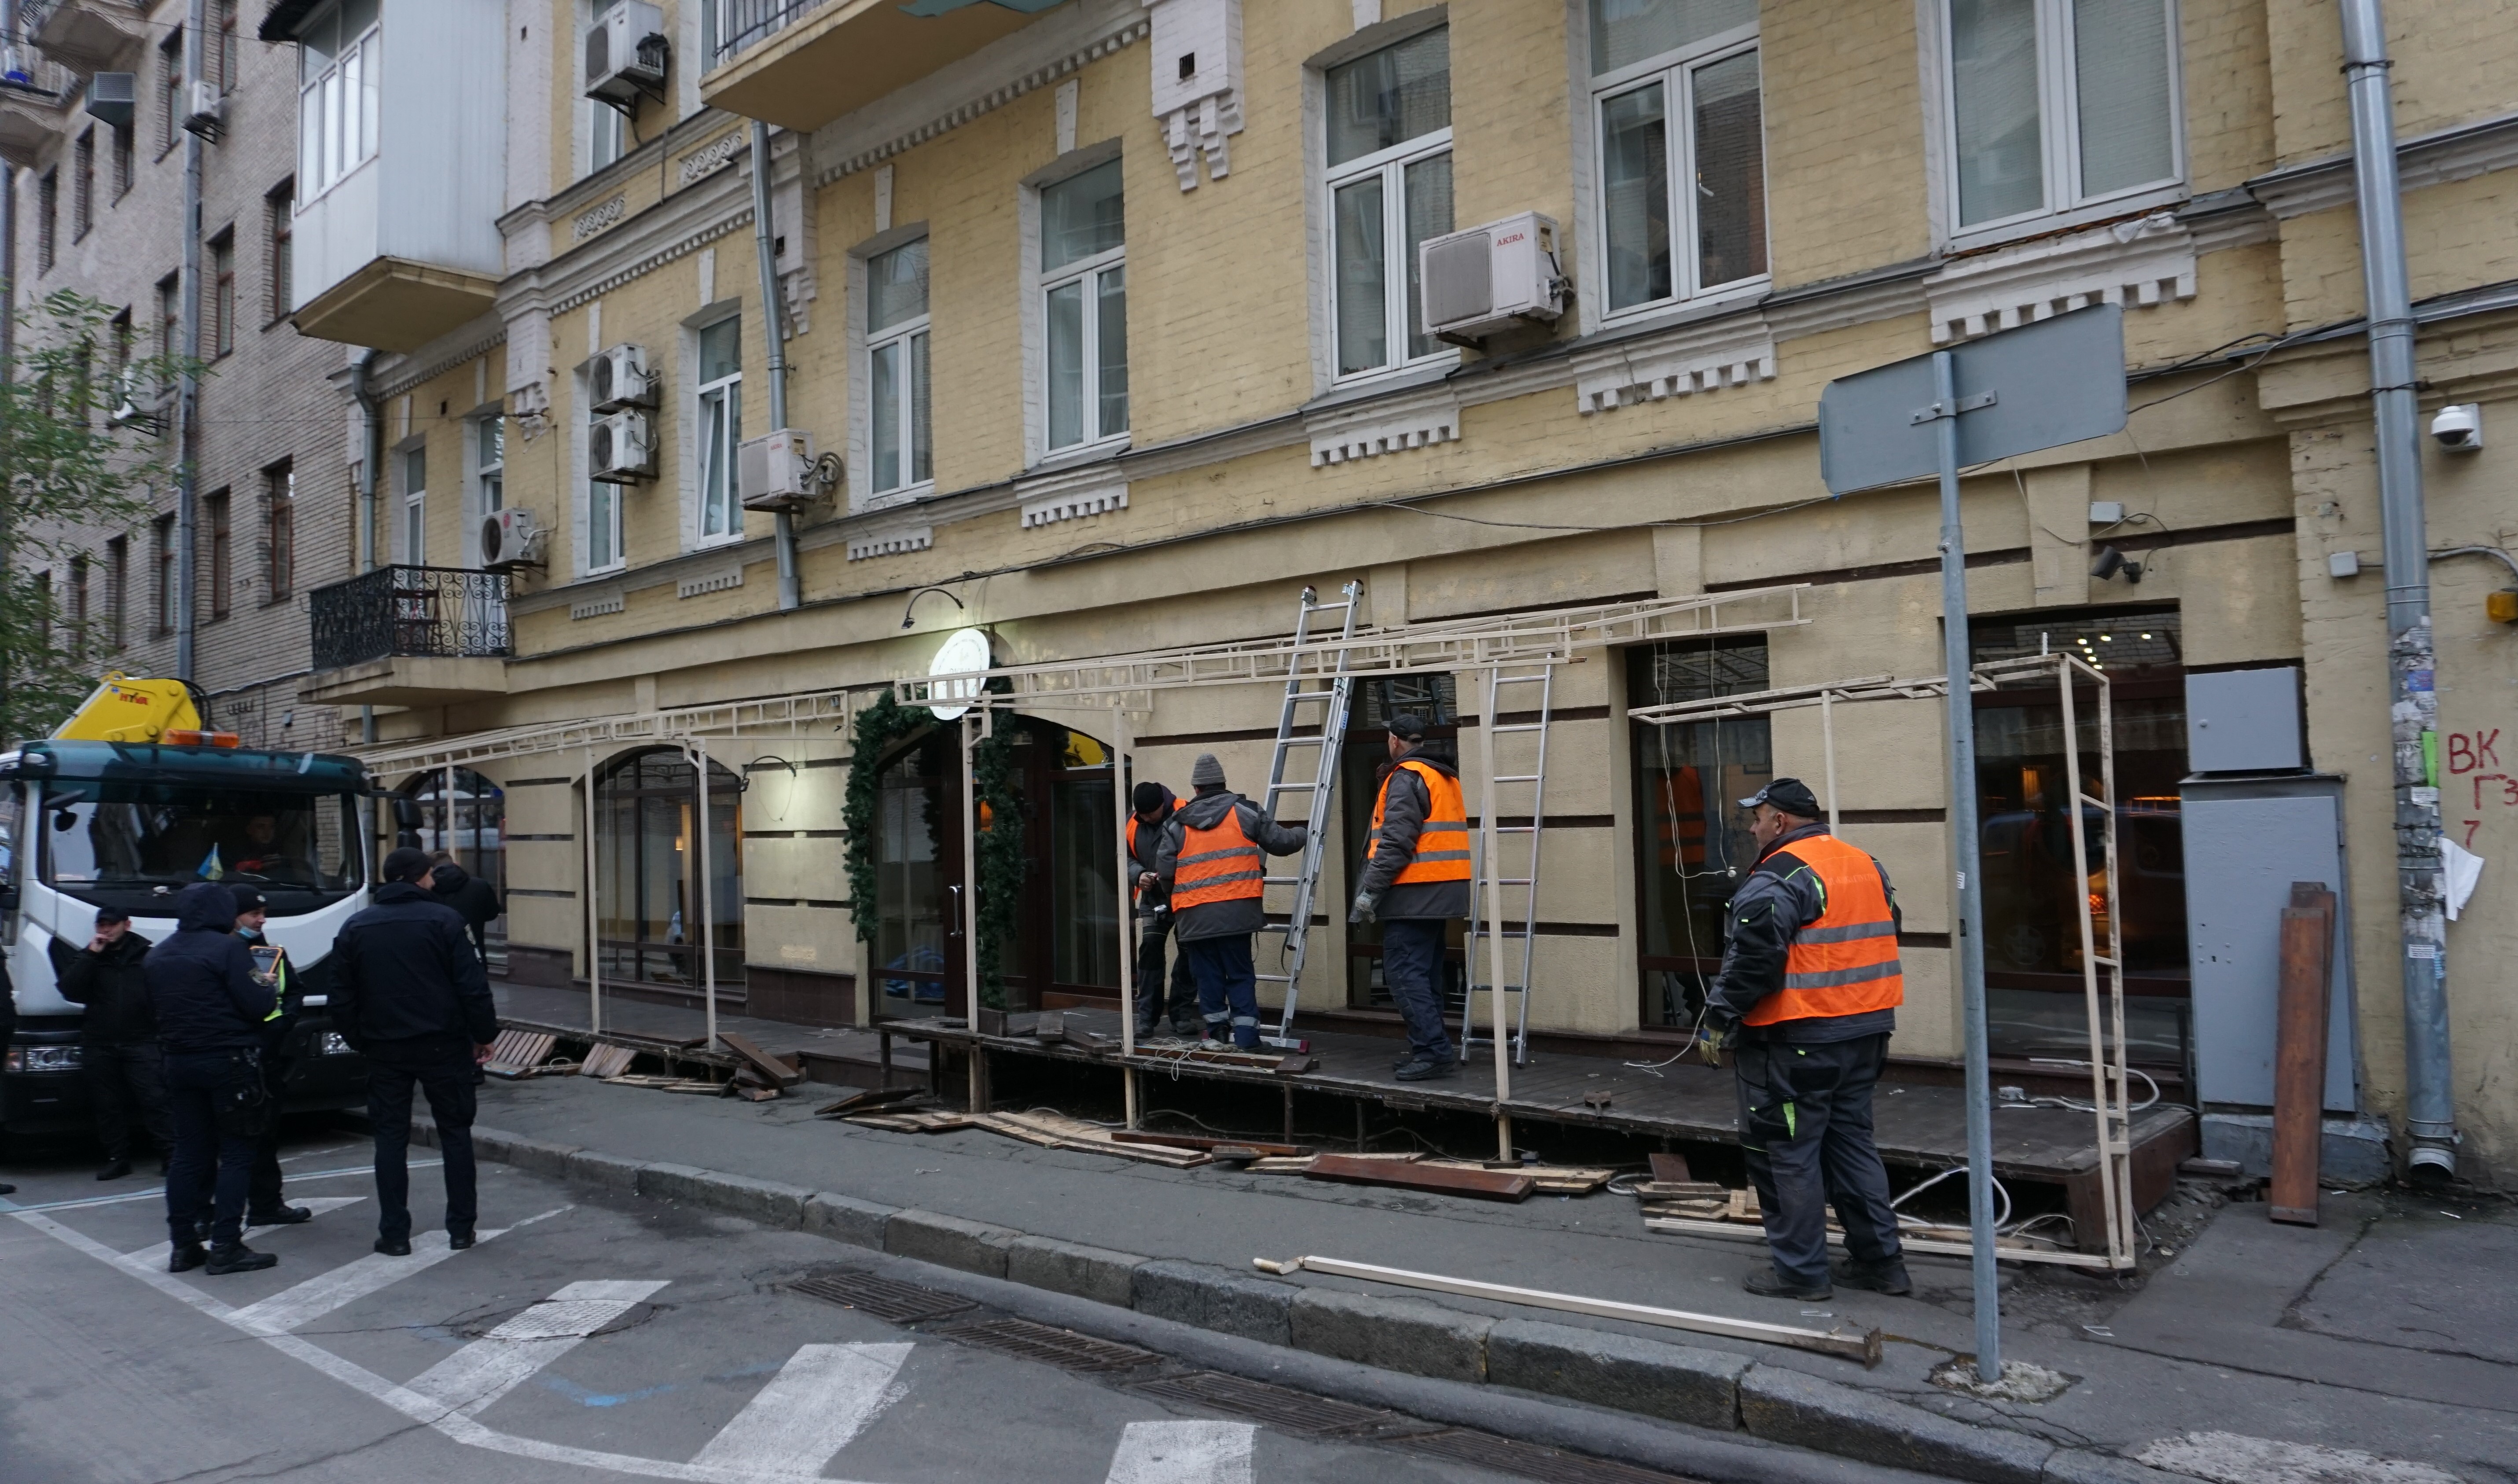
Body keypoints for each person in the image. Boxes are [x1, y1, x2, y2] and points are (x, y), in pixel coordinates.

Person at [1698, 778, 1909, 1302]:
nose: (1752, 827)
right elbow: (1884, 932)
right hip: (1865, 1032)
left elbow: (1753, 958)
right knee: (1852, 1145)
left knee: (1786, 1153)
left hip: (1796, 1041)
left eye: (1759, 816)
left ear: (1783, 822)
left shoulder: (1780, 875)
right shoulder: (1865, 863)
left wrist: (1720, 1019)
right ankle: (1882, 1264)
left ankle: (1801, 1273)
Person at [331, 847, 498, 1257]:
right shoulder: (445, 921)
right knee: (455, 1133)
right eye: (430, 875)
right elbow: (471, 985)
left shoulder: (357, 926)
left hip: (385, 1046)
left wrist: (360, 1039)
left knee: (389, 1138)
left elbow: (341, 995)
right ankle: (461, 1229)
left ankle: (394, 1233)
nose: (433, 880)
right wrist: (483, 1034)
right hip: (442, 1043)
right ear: (421, 877)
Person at [146, 882, 281, 1275]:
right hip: (229, 1060)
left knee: (188, 1155)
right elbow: (260, 1003)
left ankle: (183, 1245)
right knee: (238, 1153)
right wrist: (267, 987)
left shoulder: (158, 955)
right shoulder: (229, 950)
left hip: (178, 1060)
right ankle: (226, 1244)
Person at [1155, 753, 1306, 1051]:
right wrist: (1305, 832)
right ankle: (1248, 1039)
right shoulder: (1245, 812)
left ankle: (1216, 1035)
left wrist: (1179, 898)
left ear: (1196, 789)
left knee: (1207, 976)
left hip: (1194, 916)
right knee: (1239, 975)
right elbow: (1281, 844)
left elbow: (1165, 873)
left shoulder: (1176, 824)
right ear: (1223, 785)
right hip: (1237, 913)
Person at [1349, 714, 1471, 1082]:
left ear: (1394, 740)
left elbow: (1396, 842)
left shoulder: (1405, 777)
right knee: (1424, 976)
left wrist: (1371, 890)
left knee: (1403, 975)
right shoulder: (1442, 775)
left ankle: (1433, 1052)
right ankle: (1430, 1049)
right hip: (1439, 893)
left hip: (1412, 894)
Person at [58, 909, 171, 1180]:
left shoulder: (148, 956)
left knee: (156, 1099)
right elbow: (69, 989)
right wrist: (91, 955)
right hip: (100, 1042)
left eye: (112, 925)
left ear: (127, 925)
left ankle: (171, 1154)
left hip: (142, 1040)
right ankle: (117, 1158)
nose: (106, 931)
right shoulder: (90, 956)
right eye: (102, 925)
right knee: (107, 1104)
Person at [231, 886, 311, 1228]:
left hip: (268, 1054)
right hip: (235, 1055)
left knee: (265, 1133)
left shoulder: (270, 951)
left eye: (263, 914)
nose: (261, 920)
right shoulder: (225, 952)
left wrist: (283, 1023)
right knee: (234, 1140)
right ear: (233, 916)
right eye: (254, 914)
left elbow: (293, 990)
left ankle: (266, 1203)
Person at [1126, 782, 1202, 1040]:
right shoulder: (1133, 822)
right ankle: (1146, 1018)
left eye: (1151, 814)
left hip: (1185, 898)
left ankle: (1181, 1015)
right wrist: (1139, 875)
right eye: (1142, 815)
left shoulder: (1185, 813)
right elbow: (1124, 857)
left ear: (1163, 805)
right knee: (1149, 952)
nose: (1146, 819)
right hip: (1152, 900)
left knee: (1188, 954)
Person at [426, 850, 504, 962]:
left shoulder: (427, 891)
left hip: (439, 958)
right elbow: (492, 914)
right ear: (455, 864)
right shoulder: (480, 886)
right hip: (474, 954)